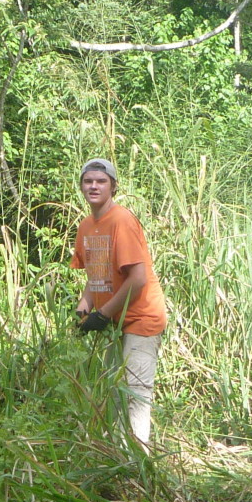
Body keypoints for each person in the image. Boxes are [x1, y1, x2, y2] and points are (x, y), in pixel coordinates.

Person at [72, 158, 167, 447]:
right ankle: (115, 455)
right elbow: (96, 274)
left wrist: (102, 314)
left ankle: (139, 461)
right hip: (113, 319)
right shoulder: (87, 225)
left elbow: (137, 278)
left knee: (135, 391)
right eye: (88, 181)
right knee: (112, 391)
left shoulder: (122, 221)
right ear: (81, 186)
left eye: (101, 181)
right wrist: (83, 307)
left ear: (113, 186)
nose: (94, 186)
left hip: (141, 318)